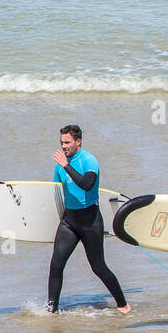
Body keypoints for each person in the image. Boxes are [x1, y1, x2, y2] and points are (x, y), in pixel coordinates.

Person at [48, 125, 131, 313]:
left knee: (98, 267)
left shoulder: (89, 160)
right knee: (56, 265)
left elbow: (87, 184)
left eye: (67, 142)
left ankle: (122, 304)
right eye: (61, 143)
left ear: (78, 141)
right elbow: (54, 192)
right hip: (69, 222)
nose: (63, 146)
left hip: (90, 221)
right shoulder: (59, 165)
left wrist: (66, 165)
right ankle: (51, 310)